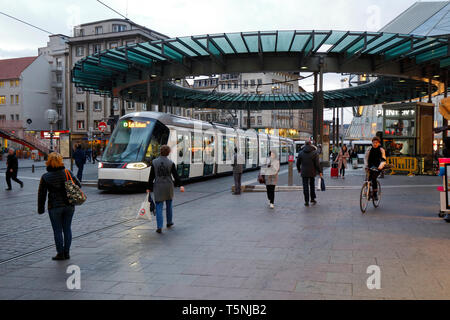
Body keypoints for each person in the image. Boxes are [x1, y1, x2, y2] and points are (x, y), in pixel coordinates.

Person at [38, 152, 81, 260]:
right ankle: (67, 253)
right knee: (67, 229)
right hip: (69, 205)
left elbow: (41, 194)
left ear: (49, 162)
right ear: (60, 161)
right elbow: (78, 185)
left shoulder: (46, 177)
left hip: (54, 206)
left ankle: (60, 253)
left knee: (57, 231)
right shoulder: (67, 172)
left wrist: (41, 208)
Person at [147, 145, 184, 234]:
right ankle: (169, 222)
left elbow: (151, 176)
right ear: (168, 153)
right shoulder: (171, 163)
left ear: (160, 152)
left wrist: (148, 187)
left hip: (158, 186)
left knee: (159, 206)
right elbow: (175, 176)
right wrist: (181, 185)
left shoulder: (154, 162)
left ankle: (159, 226)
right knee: (169, 205)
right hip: (168, 186)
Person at [296, 140, 323, 206]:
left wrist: (299, 170)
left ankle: (306, 201)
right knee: (312, 185)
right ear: (311, 144)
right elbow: (317, 164)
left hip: (304, 172)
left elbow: (297, 163)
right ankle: (312, 198)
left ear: (305, 144)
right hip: (312, 172)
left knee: (305, 186)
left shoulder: (301, 153)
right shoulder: (314, 153)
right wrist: (320, 171)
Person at [364, 137, 387, 201]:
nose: (375, 144)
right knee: (367, 179)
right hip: (370, 166)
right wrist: (366, 165)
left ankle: (375, 194)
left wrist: (380, 166)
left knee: (374, 178)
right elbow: (365, 158)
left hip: (378, 167)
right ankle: (367, 191)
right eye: (373, 143)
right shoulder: (369, 149)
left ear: (379, 143)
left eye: (376, 143)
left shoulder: (381, 150)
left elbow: (383, 160)